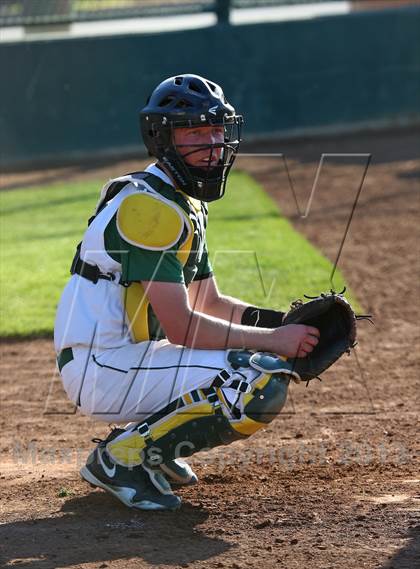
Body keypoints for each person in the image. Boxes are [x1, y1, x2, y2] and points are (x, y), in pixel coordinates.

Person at [54, 74, 319, 511]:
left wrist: (286, 325)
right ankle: (124, 458)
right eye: (196, 131)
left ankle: (152, 446)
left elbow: (209, 304)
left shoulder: (179, 200)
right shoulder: (149, 211)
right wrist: (274, 342)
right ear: (163, 139)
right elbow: (182, 326)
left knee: (255, 363)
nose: (213, 142)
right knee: (254, 377)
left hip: (122, 358)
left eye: (217, 130)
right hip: (101, 366)